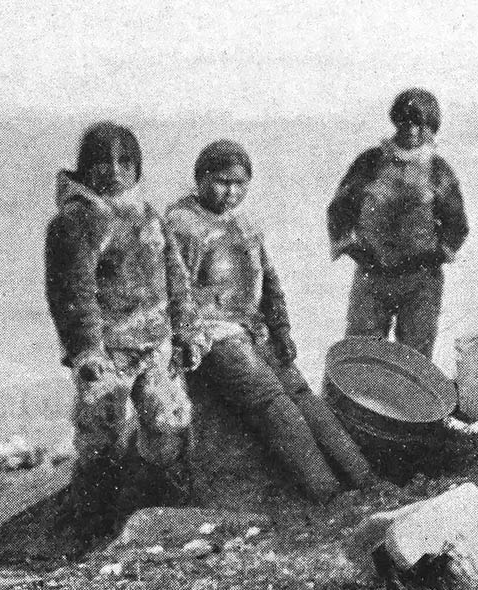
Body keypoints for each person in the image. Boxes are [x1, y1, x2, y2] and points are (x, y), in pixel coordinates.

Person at [166, 140, 375, 501]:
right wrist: (190, 340)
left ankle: (365, 478)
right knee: (272, 402)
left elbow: (269, 281)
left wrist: (281, 329)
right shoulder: (181, 225)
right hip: (215, 334)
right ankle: (327, 493)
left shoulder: (245, 223)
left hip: (255, 328)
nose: (232, 192)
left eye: (240, 184)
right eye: (222, 182)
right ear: (200, 180)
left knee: (301, 393)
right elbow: (176, 290)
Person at [44, 122, 199, 532]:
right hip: (108, 352)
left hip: (156, 345)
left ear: (137, 168)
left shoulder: (148, 215)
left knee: (169, 425)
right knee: (102, 439)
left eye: (125, 161)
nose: (114, 170)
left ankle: (165, 514)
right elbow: (72, 293)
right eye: (102, 161)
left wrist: (185, 332)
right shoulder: (75, 221)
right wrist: (86, 351)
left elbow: (176, 277)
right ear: (85, 167)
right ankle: (92, 526)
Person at [327, 88, 469, 359]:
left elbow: (457, 224)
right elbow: (340, 208)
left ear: (431, 128)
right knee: (361, 355)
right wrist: (356, 250)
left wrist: (430, 258)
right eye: (406, 121)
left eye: (421, 124)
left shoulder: (439, 171)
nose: (412, 130)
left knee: (413, 360)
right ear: (396, 121)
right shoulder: (370, 162)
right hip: (372, 278)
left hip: (420, 283)